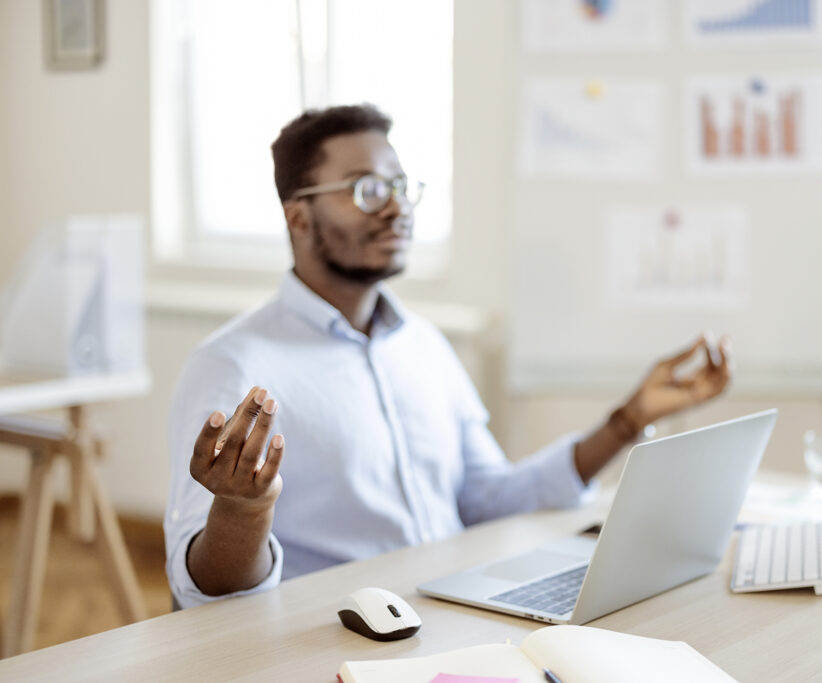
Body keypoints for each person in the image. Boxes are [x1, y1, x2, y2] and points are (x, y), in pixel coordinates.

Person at [164, 104, 731, 609]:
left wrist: (628, 421)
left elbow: (488, 500)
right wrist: (243, 511)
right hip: (335, 643)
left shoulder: (425, 347)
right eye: (367, 190)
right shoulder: (232, 366)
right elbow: (204, 589)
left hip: (453, 613)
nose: (397, 209)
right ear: (298, 217)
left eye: (402, 187)